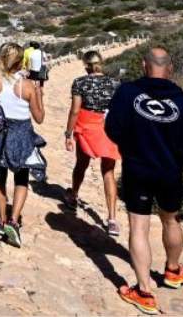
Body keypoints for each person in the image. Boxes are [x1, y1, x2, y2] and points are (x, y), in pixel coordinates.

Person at [105, 46, 183, 315]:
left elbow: (112, 128)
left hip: (138, 169)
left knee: (139, 227)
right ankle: (173, 270)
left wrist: (130, 147)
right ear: (170, 68)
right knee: (171, 219)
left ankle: (144, 291)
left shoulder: (127, 93)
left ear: (143, 65)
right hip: (170, 172)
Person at [0, 41, 46, 248]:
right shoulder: (27, 86)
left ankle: (1, 219)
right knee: (21, 177)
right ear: (20, 61)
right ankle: (14, 221)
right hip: (21, 133)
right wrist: (39, 93)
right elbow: (39, 117)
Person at [64, 50, 121, 235]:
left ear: (85, 65)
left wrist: (68, 133)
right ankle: (112, 219)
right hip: (109, 127)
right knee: (108, 171)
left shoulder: (80, 82)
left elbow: (74, 110)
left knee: (81, 164)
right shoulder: (115, 83)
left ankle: (73, 196)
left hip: (87, 126)